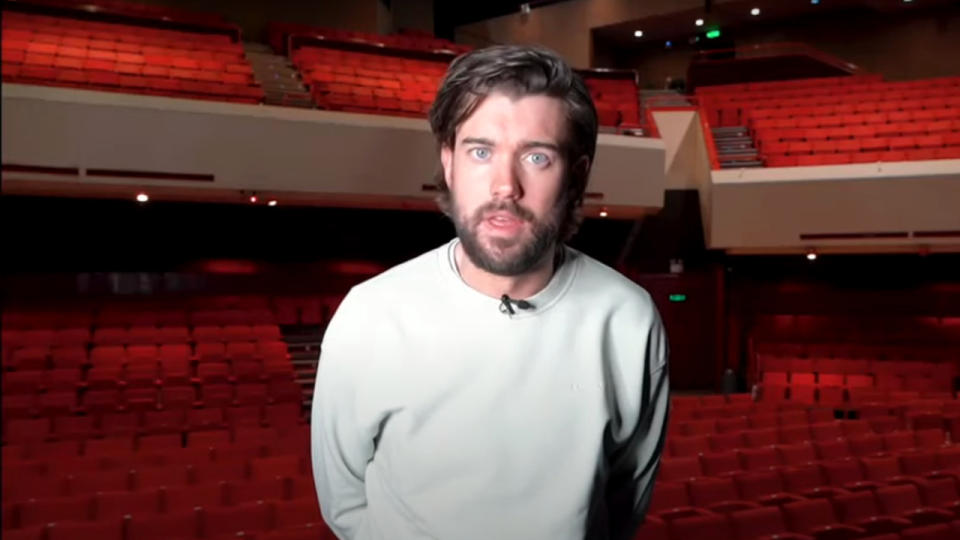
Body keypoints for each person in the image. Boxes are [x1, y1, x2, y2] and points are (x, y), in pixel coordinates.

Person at [312, 44, 669, 540]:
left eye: (537, 157)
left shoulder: (628, 319)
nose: (505, 186)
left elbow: (624, 502)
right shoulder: (370, 315)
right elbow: (344, 501)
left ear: (577, 174)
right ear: (450, 163)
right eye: (481, 152)